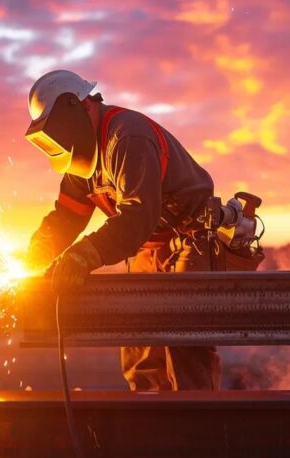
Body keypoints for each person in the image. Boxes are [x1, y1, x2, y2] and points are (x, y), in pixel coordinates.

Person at [23, 69, 221, 391]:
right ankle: (146, 430)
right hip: (147, 245)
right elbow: (67, 217)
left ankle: (196, 431)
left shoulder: (127, 136)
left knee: (185, 343)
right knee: (138, 346)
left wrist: (84, 254)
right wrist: (33, 258)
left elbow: (137, 216)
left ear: (79, 106)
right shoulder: (83, 159)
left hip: (189, 239)